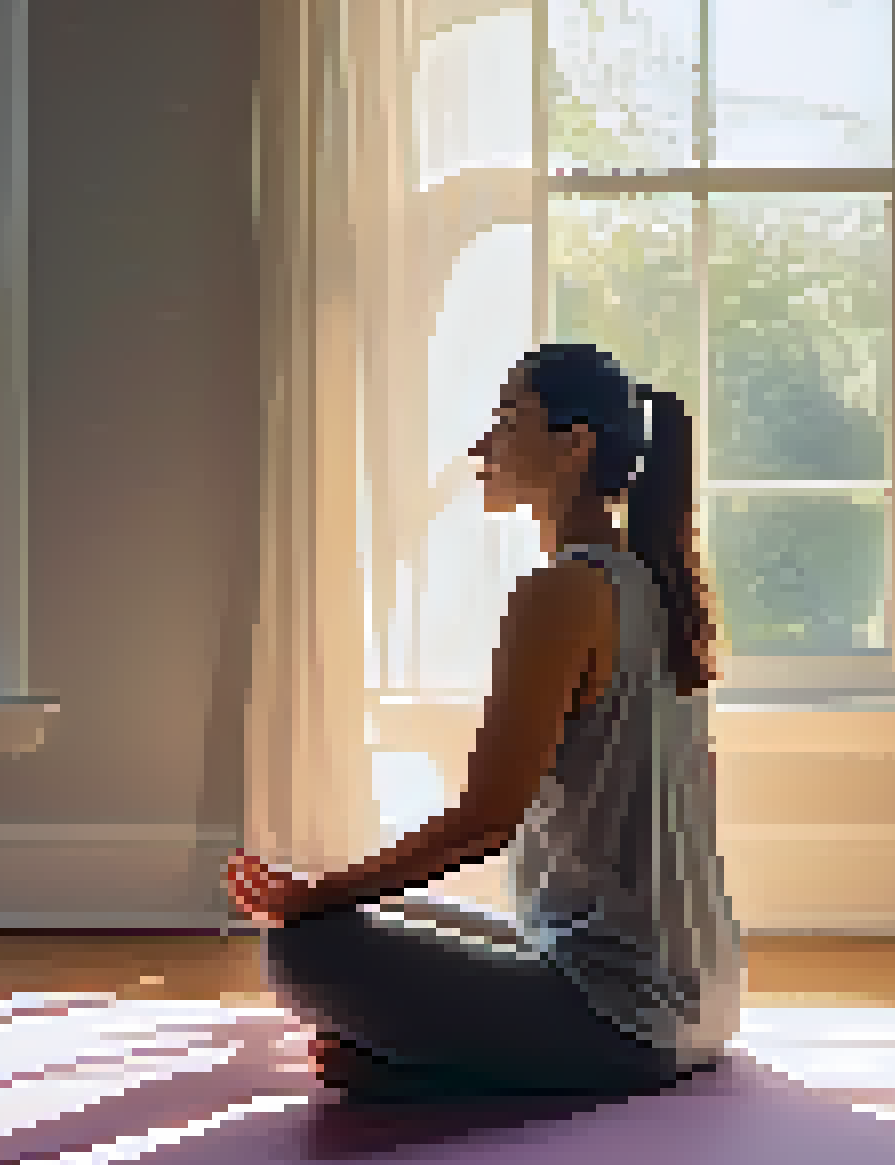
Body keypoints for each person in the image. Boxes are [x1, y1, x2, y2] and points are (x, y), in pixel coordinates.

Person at [225, 343, 742, 1103]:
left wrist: (318, 894)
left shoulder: (563, 592)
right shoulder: (654, 584)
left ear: (575, 445)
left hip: (628, 1020)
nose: (482, 446)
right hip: (705, 996)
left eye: (507, 421)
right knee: (381, 911)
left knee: (307, 945)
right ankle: (448, 1054)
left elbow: (485, 821)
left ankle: (444, 1068)